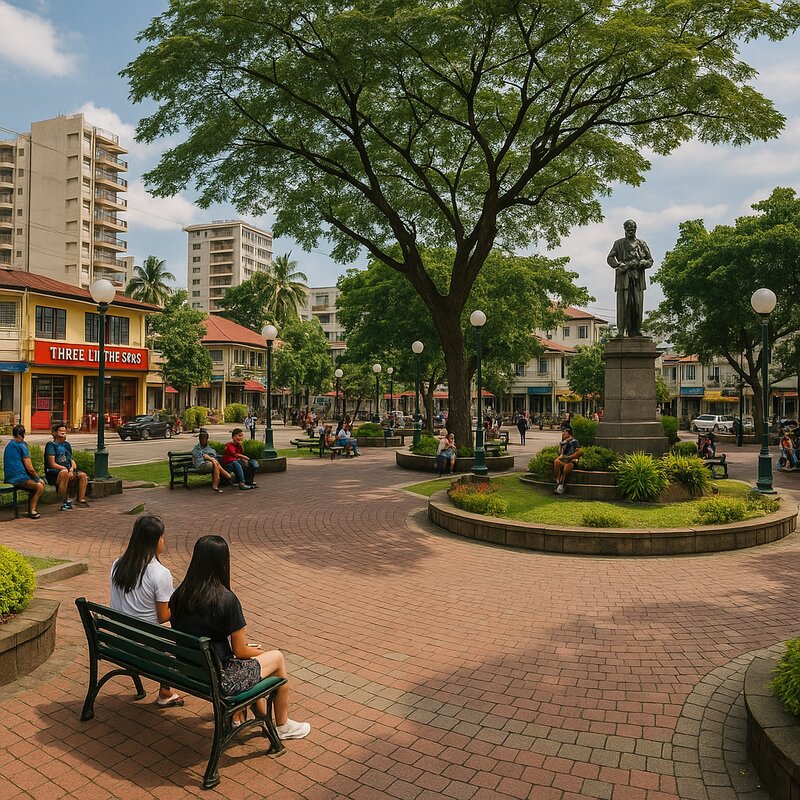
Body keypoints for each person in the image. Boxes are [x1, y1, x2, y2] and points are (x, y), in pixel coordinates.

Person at [169, 535, 310, 739]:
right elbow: (240, 650)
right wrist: (259, 652)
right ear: (222, 562)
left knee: (250, 663)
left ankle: (265, 721)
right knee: (276, 658)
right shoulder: (226, 599)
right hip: (221, 679)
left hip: (192, 671)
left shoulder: (179, 595)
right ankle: (282, 725)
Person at [110, 515, 182, 708]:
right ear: (155, 541)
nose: (163, 541)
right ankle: (165, 692)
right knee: (182, 646)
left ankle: (165, 691)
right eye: (162, 537)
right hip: (146, 647)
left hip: (118, 641)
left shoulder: (117, 565)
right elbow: (163, 617)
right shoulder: (159, 573)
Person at [606, 219, 654, 337]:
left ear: (635, 229)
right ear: (624, 229)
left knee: (637, 305)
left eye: (633, 228)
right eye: (628, 228)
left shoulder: (641, 244)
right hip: (624, 279)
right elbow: (610, 258)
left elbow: (650, 261)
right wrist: (618, 265)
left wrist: (643, 262)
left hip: (637, 279)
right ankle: (621, 330)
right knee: (623, 305)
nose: (630, 231)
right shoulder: (618, 243)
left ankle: (636, 330)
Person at [2, 424, 44, 519]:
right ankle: (32, 511)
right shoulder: (22, 445)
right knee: (39, 486)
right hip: (18, 477)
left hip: (11, 476)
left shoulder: (10, 445)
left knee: (35, 486)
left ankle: (31, 509)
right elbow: (29, 468)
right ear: (23, 434)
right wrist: (37, 478)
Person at [45, 422, 89, 511]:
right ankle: (63, 502)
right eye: (60, 430)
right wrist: (65, 469)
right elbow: (51, 464)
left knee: (83, 475)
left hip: (68, 470)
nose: (63, 432)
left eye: (64, 430)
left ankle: (81, 500)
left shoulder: (67, 445)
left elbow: (71, 459)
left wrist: (72, 469)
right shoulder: (51, 445)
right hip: (55, 472)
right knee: (64, 473)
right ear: (54, 433)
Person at [553, 427, 583, 495]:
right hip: (563, 459)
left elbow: (578, 452)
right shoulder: (564, 443)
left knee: (566, 469)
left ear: (569, 435)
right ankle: (557, 480)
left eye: (564, 434)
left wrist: (572, 457)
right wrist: (560, 446)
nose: (563, 435)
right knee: (556, 462)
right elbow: (561, 453)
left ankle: (560, 486)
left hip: (571, 461)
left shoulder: (575, 442)